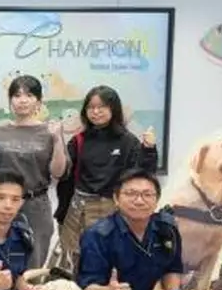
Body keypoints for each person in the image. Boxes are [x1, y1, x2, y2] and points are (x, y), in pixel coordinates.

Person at [53, 85, 158, 274]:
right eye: (91, 107)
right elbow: (64, 175)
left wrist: (149, 149)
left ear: (113, 108)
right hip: (78, 208)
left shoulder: (128, 141)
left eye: (101, 107)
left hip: (110, 208)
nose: (96, 112)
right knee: (71, 259)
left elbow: (142, 177)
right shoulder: (79, 140)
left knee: (104, 260)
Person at [0, 75, 67, 268]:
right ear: (10, 101)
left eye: (29, 95)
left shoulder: (50, 132)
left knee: (33, 264)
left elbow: (58, 172)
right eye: (16, 95)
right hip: (2, 204)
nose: (22, 100)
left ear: (39, 102)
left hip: (35, 205)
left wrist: (57, 140)